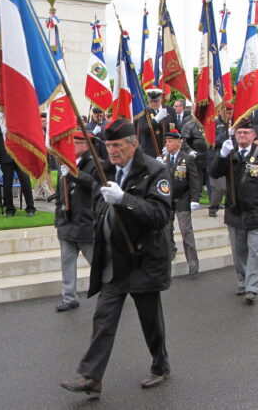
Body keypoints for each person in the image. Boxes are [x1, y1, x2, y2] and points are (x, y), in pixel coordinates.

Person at [60, 119, 172, 397]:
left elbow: (160, 216)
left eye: (117, 145)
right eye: (108, 145)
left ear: (133, 144)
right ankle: (91, 377)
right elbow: (100, 204)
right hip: (115, 260)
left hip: (143, 259)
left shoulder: (155, 171)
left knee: (151, 323)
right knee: (103, 320)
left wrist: (125, 200)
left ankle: (160, 366)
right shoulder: (106, 170)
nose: (112, 151)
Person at [210, 118, 258, 303]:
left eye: (246, 133)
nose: (242, 136)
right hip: (235, 212)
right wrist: (221, 154)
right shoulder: (229, 153)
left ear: (253, 136)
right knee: (239, 252)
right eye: (239, 133)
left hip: (257, 212)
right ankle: (243, 281)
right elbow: (214, 173)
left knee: (255, 251)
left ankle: (253, 287)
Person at [54, 131, 98, 312]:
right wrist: (58, 218)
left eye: (77, 143)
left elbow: (95, 186)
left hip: (85, 222)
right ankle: (69, 297)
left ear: (87, 146)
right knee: (67, 262)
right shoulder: (66, 164)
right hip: (67, 222)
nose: (72, 146)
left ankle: (114, 289)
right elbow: (59, 195)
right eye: (72, 143)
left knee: (97, 263)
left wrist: (74, 174)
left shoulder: (96, 165)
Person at [159, 130, 201, 274]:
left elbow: (195, 180)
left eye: (170, 141)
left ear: (178, 143)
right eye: (166, 141)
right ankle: (171, 251)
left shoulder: (186, 158)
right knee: (167, 229)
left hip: (183, 198)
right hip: (168, 199)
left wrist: (195, 199)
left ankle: (193, 262)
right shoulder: (164, 158)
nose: (167, 144)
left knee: (186, 231)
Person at [0, 105, 36, 217]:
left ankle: (30, 208)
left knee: (25, 181)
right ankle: (9, 209)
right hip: (4, 155)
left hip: (20, 154)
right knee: (7, 183)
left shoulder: (16, 114)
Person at [135, 88, 176, 158]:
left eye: (156, 101)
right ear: (148, 100)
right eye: (151, 101)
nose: (153, 103)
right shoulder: (143, 112)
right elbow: (144, 130)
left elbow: (176, 129)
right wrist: (156, 119)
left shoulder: (170, 110)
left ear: (161, 99)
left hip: (167, 150)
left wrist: (172, 145)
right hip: (149, 153)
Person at [207, 105, 231, 217]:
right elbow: (212, 141)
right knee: (220, 187)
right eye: (226, 111)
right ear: (220, 111)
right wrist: (226, 134)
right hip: (217, 159)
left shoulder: (236, 124)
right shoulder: (214, 123)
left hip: (232, 160)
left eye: (230, 112)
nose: (228, 114)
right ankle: (213, 208)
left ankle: (230, 207)